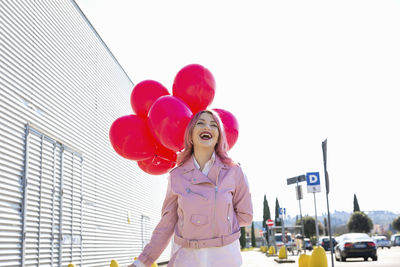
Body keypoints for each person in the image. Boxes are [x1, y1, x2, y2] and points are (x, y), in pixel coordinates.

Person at [128, 110, 253, 267]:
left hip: (225, 258)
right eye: (200, 123)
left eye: (213, 125)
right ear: (191, 135)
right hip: (186, 258)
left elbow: (246, 216)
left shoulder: (234, 172)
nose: (207, 127)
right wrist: (142, 262)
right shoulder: (177, 176)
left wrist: (219, 223)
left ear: (218, 137)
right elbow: (166, 225)